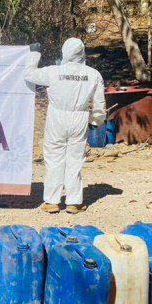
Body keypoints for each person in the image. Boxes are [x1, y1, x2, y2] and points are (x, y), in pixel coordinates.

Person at [24, 38, 106, 214]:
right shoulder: (93, 74)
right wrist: (96, 121)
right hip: (80, 117)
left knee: (54, 158)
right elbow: (99, 104)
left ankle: (51, 201)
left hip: (57, 118)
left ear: (64, 52)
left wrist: (34, 54)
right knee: (75, 160)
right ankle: (74, 202)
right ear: (82, 53)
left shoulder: (53, 72)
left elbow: (29, 74)